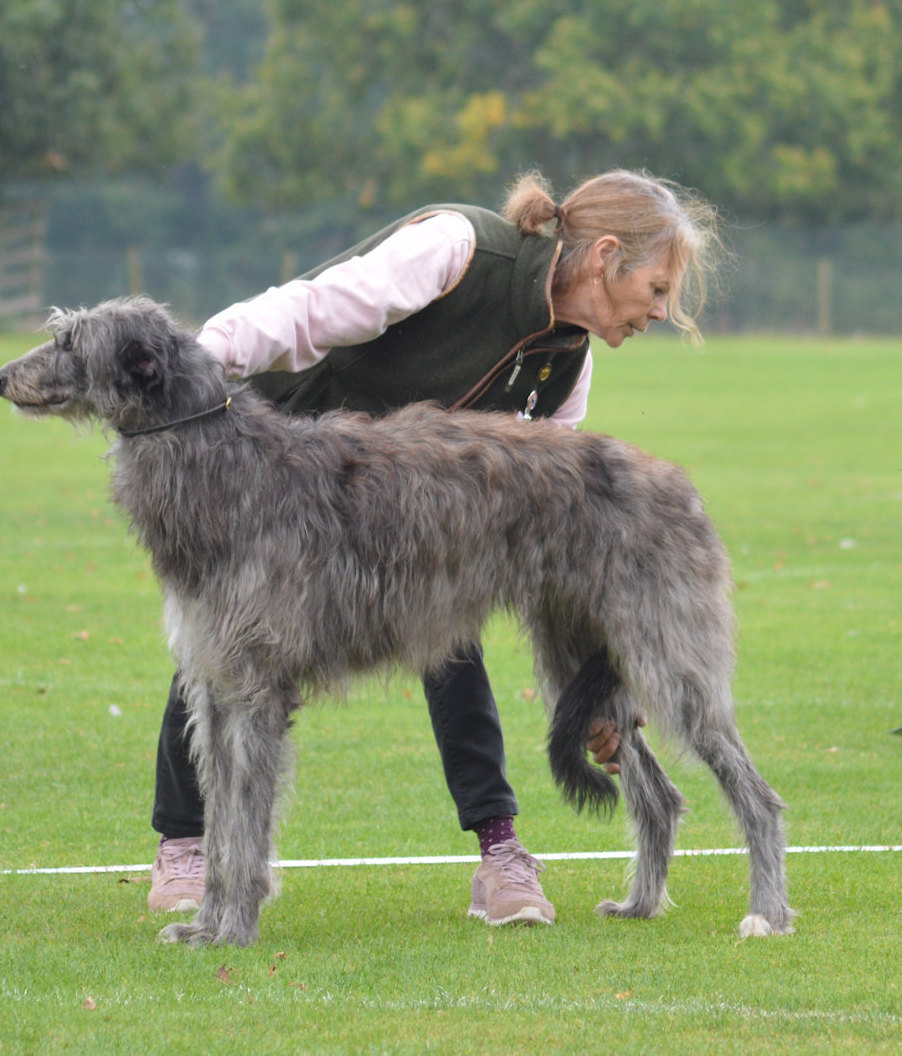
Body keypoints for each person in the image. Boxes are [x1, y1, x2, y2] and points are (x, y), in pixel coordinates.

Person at [147, 168, 719, 926]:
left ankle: (500, 851)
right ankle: (185, 843)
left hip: (407, 507)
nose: (660, 311)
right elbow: (312, 311)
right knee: (230, 645)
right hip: (290, 457)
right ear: (606, 254)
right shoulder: (458, 248)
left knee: (450, 637)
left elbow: (543, 508)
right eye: (656, 287)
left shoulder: (567, 364)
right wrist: (205, 360)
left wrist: (597, 688)